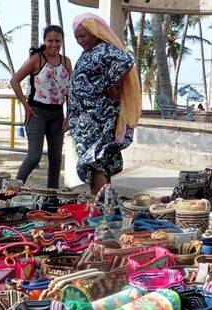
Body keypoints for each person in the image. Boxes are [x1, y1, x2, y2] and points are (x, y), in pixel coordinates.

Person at [68, 13, 141, 195]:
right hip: (86, 119)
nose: (80, 40)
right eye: (77, 37)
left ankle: (98, 204)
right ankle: (104, 204)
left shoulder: (104, 50)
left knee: (96, 160)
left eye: (83, 35)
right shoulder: (90, 52)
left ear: (95, 32)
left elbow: (126, 61)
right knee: (99, 160)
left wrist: (111, 86)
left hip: (97, 118)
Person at [11, 25, 72, 189]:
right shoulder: (37, 59)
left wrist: (69, 116)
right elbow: (14, 81)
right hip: (36, 112)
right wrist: (25, 105)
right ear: (45, 41)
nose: (54, 44)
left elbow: (69, 92)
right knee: (34, 156)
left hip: (57, 114)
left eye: (57, 41)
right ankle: (13, 189)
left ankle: (52, 196)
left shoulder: (66, 62)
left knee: (56, 159)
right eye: (50, 40)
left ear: (62, 41)